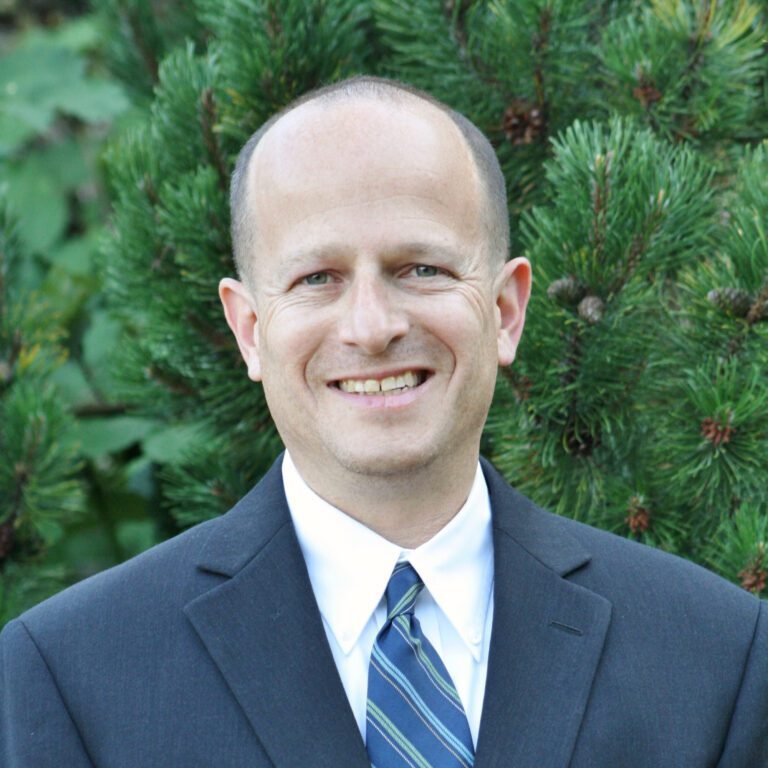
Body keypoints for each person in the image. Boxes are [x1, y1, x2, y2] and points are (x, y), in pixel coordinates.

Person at [1, 76, 766, 768]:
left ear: (505, 311)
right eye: (316, 278)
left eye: (420, 268)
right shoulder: (75, 677)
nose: (371, 326)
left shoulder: (716, 659)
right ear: (249, 330)